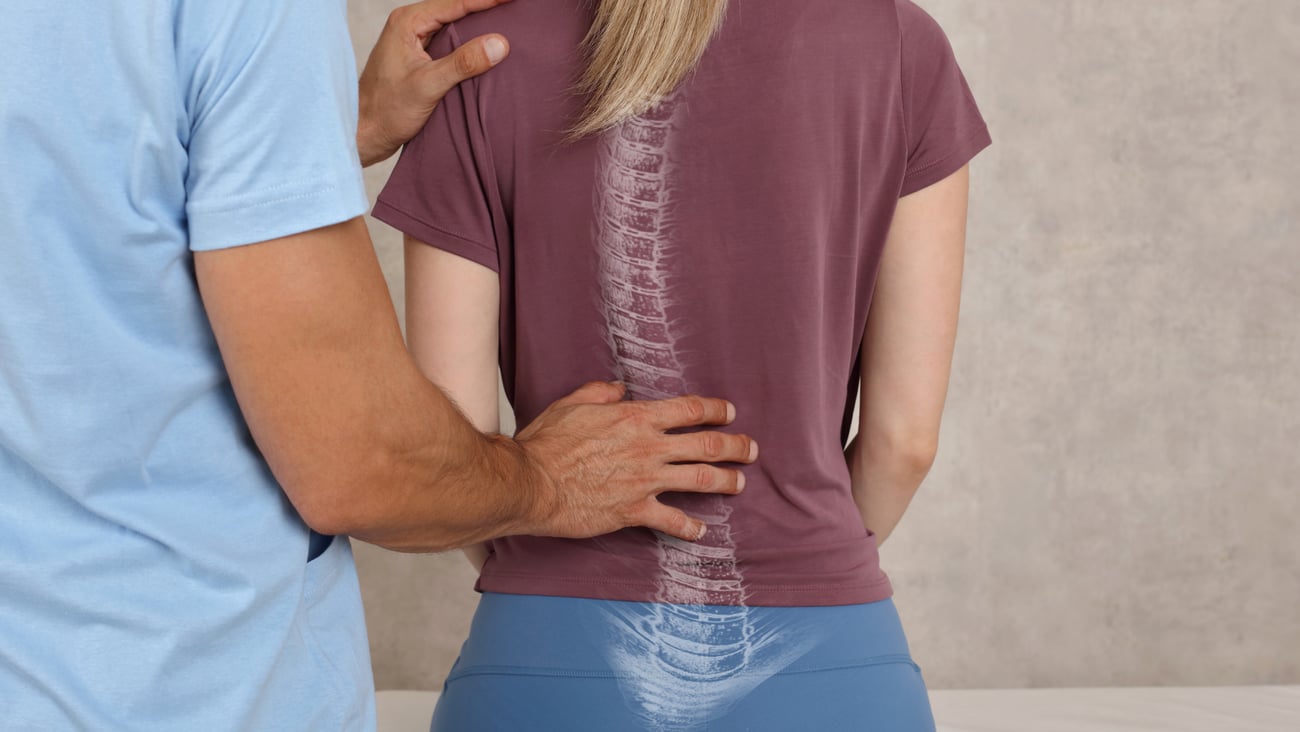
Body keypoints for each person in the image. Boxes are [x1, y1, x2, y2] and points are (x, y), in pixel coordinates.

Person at [0, 1, 759, 729]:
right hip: (187, 695)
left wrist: (313, 140)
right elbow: (360, 464)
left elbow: (73, 236)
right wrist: (550, 481)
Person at [375, 0, 992, 729]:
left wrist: (538, 563)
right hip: (829, 661)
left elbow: (451, 444)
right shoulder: (898, 41)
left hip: (545, 653)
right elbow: (904, 445)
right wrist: (803, 556)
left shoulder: (476, 54)